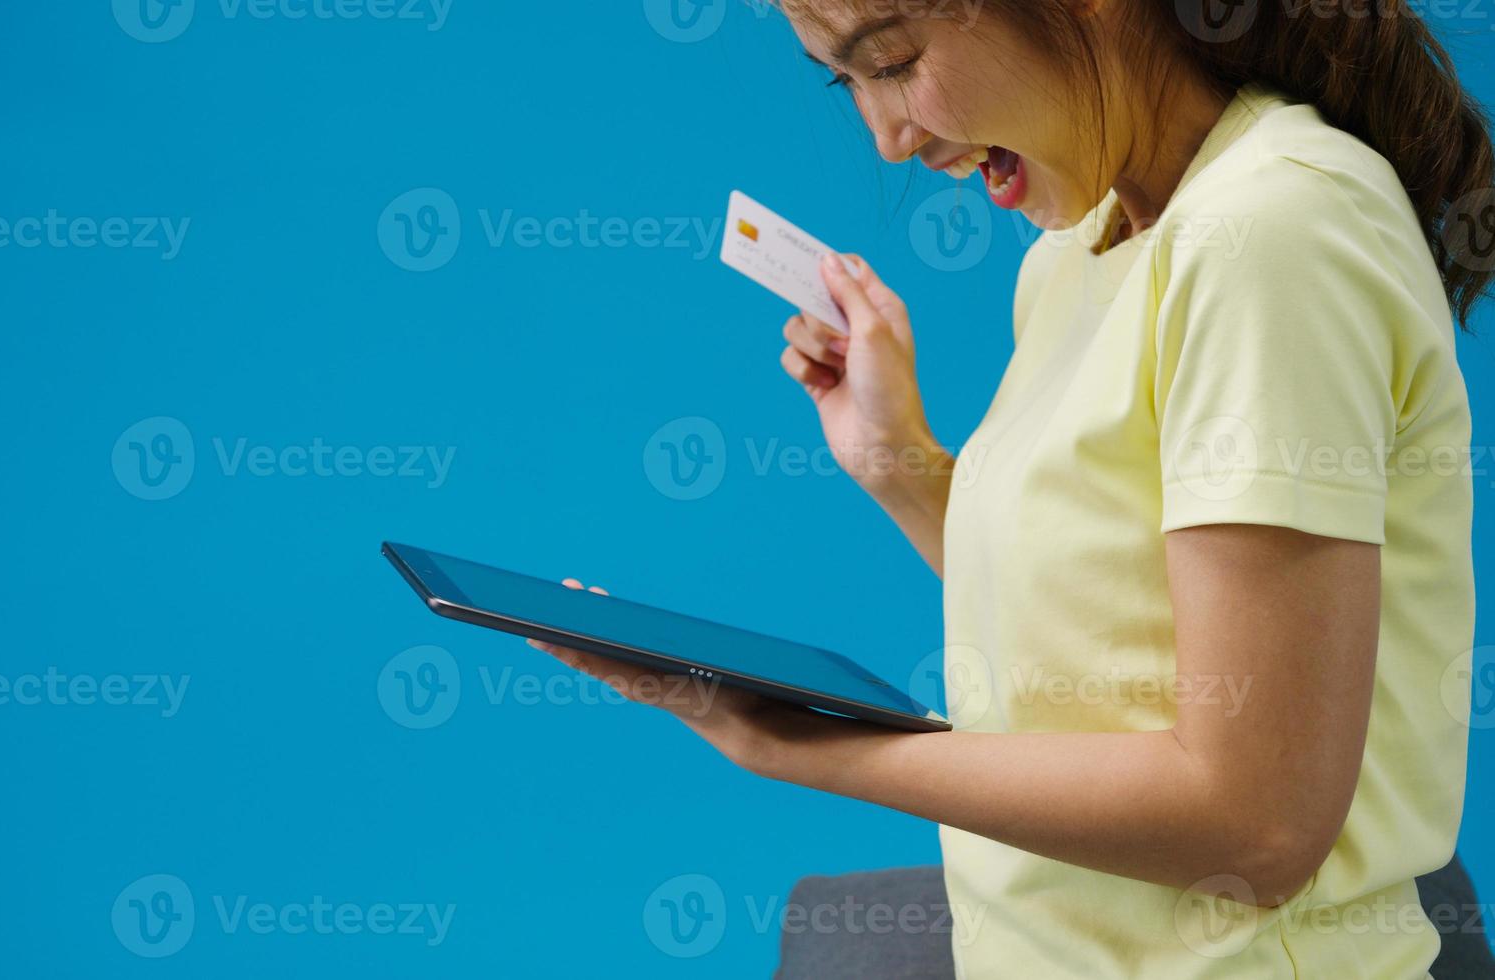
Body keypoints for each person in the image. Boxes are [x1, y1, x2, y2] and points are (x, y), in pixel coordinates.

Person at [530, 0, 1492, 975]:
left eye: (893, 62)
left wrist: (793, 742)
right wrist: (895, 457)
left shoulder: (1273, 230)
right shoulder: (1073, 254)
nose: (889, 137)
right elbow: (1094, 626)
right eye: (844, 81)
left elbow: (1252, 822)